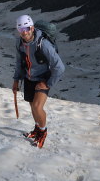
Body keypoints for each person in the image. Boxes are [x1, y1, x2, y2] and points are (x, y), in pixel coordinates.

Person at [12, 14, 65, 148]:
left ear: (32, 27)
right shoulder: (19, 43)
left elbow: (59, 67)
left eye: (27, 28)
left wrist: (47, 83)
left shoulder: (44, 44)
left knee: (37, 107)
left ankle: (43, 132)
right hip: (29, 77)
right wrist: (16, 80)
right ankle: (37, 129)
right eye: (21, 30)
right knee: (32, 107)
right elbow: (19, 62)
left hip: (43, 78)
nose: (25, 32)